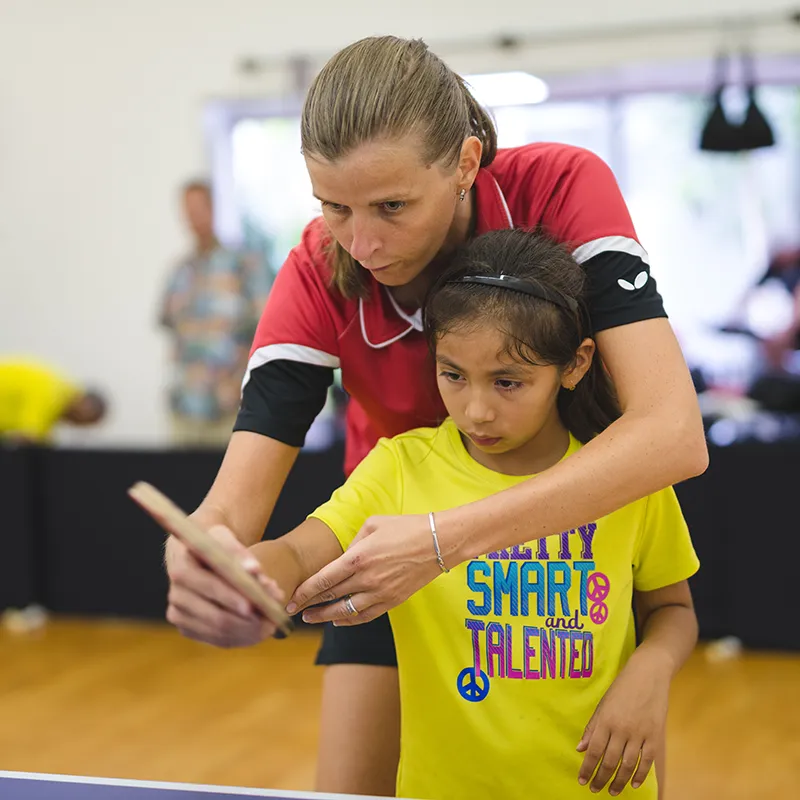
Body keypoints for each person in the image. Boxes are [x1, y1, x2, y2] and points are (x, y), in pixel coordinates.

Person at [164, 36, 707, 795]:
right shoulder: (320, 268)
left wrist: (440, 542)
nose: (362, 241)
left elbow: (673, 434)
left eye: (392, 205)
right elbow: (234, 512)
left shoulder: (560, 186)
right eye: (333, 206)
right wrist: (212, 567)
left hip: (564, 540)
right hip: (390, 543)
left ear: (463, 162)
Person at [240, 229, 700, 799]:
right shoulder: (401, 469)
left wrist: (648, 674)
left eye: (508, 382)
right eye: (452, 374)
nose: (476, 409)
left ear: (576, 364)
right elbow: (296, 551)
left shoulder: (628, 475)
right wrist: (245, 572)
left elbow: (674, 610)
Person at [160, 180, 272, 448]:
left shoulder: (244, 265)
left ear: (213, 209)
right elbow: (170, 328)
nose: (194, 218)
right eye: (188, 210)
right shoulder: (180, 271)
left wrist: (239, 381)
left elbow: (266, 330)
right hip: (185, 408)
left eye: (200, 209)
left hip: (230, 408)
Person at [0, 358, 106, 444]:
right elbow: (27, 437)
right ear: (85, 406)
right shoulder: (51, 393)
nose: (75, 425)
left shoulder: (58, 395)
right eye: (83, 421)